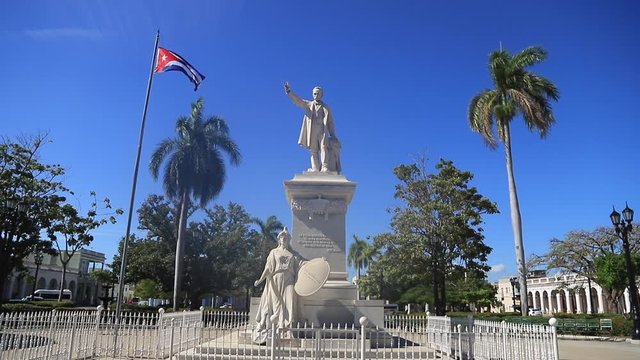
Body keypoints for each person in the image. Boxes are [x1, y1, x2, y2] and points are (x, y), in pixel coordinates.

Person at [253, 227, 305, 344]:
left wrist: (317, 263)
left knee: (290, 302)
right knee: (276, 306)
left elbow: (302, 264)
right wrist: (260, 280)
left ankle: (288, 329)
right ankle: (276, 328)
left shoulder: (293, 254)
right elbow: (268, 268)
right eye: (282, 237)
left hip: (289, 280)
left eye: (286, 238)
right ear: (279, 240)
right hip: (276, 280)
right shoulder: (274, 252)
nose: (284, 239)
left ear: (289, 239)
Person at [284, 82, 339, 173]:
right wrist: (289, 92)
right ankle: (315, 168)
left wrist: (333, 134)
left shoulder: (326, 107)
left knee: (323, 147)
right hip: (312, 130)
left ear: (321, 95)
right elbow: (298, 101)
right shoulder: (308, 104)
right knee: (313, 150)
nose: (316, 95)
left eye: (318, 93)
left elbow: (330, 122)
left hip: (322, 129)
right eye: (314, 93)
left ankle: (325, 167)